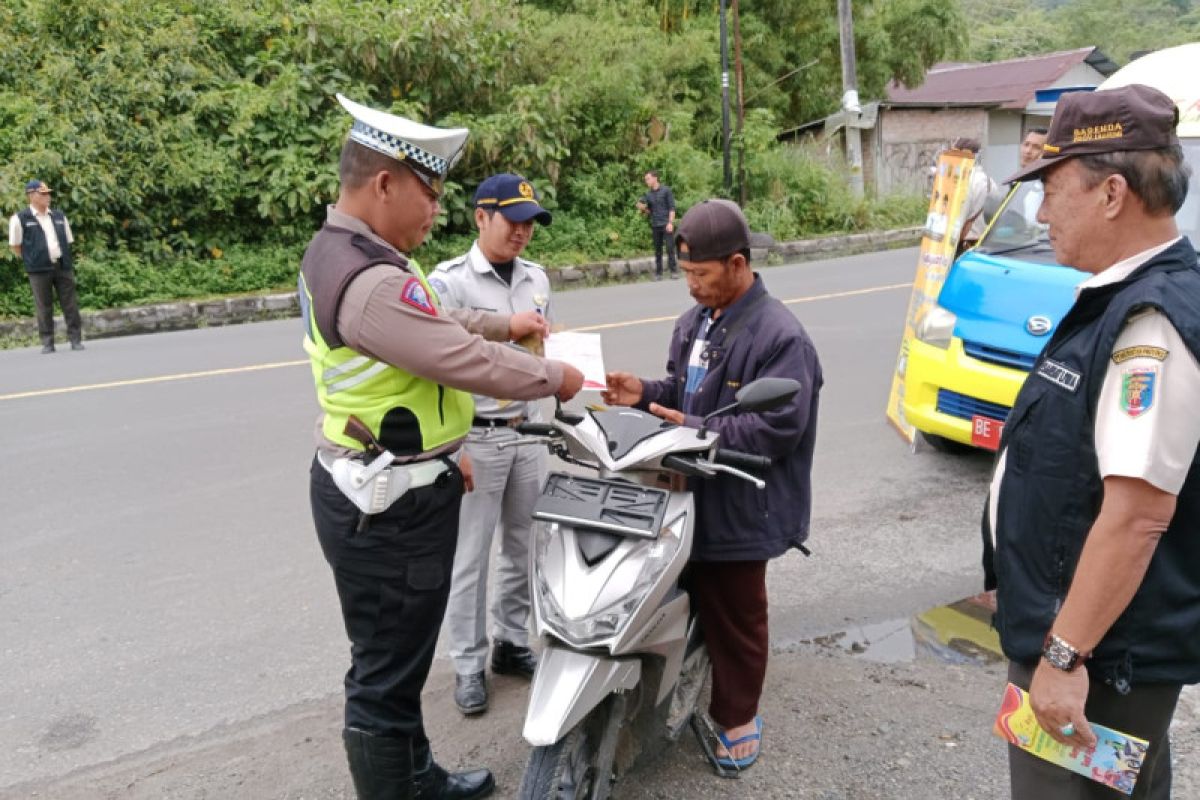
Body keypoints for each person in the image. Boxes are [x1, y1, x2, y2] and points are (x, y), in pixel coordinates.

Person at [300, 94, 584, 800]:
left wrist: (500, 326)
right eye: (429, 192)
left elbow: (437, 321)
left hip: (392, 480)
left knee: (396, 660)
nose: (435, 209)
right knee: (385, 675)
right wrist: (554, 375)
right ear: (385, 184)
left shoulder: (355, 252)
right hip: (385, 508)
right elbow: (455, 356)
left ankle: (418, 776)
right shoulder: (369, 279)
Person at [983, 84, 1200, 800]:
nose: (1042, 214)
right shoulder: (1117, 297)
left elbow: (1138, 516)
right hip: (1086, 639)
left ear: (1111, 194)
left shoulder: (1150, 322)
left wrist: (1062, 654)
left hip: (1097, 659)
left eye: (1051, 191)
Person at [602, 198, 822, 772]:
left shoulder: (781, 337)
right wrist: (644, 393)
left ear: (738, 263)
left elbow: (779, 427)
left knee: (737, 613)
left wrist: (695, 427)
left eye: (701, 274)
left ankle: (738, 715)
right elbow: (684, 391)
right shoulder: (696, 322)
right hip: (688, 490)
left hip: (741, 499)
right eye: (687, 275)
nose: (692, 286)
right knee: (673, 594)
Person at [428, 173, 554, 716]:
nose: (523, 233)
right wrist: (450, 447)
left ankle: (511, 643)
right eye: (513, 221)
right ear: (481, 216)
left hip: (527, 434)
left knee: (523, 548)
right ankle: (467, 663)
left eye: (530, 223)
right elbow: (436, 341)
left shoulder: (537, 278)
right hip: (475, 437)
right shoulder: (448, 282)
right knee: (469, 559)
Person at [8, 179, 83, 353]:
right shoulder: (20, 219)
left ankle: (75, 339)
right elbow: (15, 246)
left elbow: (67, 240)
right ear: (32, 196)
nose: (47, 196)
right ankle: (48, 342)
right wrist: (32, 258)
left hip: (62, 265)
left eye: (48, 193)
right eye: (43, 194)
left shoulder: (58, 216)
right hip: (38, 269)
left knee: (70, 303)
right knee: (43, 306)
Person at [952, 137, 998, 255]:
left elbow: (959, 217)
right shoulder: (990, 182)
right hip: (986, 243)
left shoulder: (964, 181)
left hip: (964, 244)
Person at [635, 170, 677, 280]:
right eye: (646, 180)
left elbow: (672, 208)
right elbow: (642, 206)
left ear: (655, 178)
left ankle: (674, 271)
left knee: (670, 248)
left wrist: (670, 223)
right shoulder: (648, 194)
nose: (647, 181)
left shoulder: (666, 191)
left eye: (648, 179)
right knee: (657, 250)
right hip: (655, 225)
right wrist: (642, 207)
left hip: (666, 223)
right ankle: (659, 273)